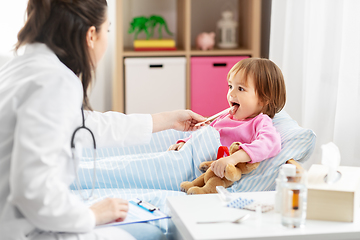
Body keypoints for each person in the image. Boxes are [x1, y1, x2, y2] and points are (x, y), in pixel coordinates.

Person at [0, 0, 206, 239]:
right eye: (107, 30)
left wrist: (165, 120)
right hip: (23, 230)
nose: (106, 39)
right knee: (157, 230)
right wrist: (92, 215)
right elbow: (33, 194)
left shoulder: (20, 66)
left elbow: (85, 124)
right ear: (91, 35)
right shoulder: (54, 82)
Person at [168, 58, 286, 178]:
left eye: (240, 88)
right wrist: (185, 142)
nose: (231, 93)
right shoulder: (226, 116)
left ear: (263, 99)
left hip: (206, 171)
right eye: (230, 86)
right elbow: (203, 135)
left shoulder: (260, 122)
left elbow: (270, 143)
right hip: (191, 158)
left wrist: (233, 159)